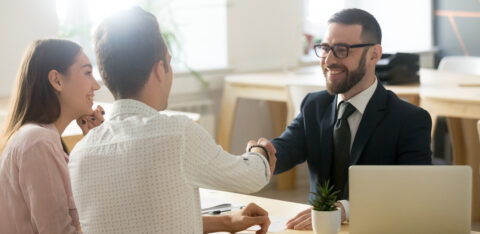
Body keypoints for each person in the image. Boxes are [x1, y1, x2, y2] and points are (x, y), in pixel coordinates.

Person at [68, 7, 276, 234]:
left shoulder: (79, 155)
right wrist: (259, 152)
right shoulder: (178, 134)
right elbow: (251, 177)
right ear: (159, 69)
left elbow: (146, 219)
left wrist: (227, 221)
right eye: (169, 62)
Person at [268, 8, 432, 230]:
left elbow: (414, 191)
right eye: (325, 48)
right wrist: (261, 154)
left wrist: (346, 209)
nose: (328, 60)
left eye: (342, 50)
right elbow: (285, 148)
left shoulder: (410, 120)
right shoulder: (314, 105)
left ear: (374, 54)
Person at [0, 39, 104, 233]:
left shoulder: (41, 139)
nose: (96, 86)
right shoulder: (37, 141)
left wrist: (94, 146)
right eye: (88, 73)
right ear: (57, 80)